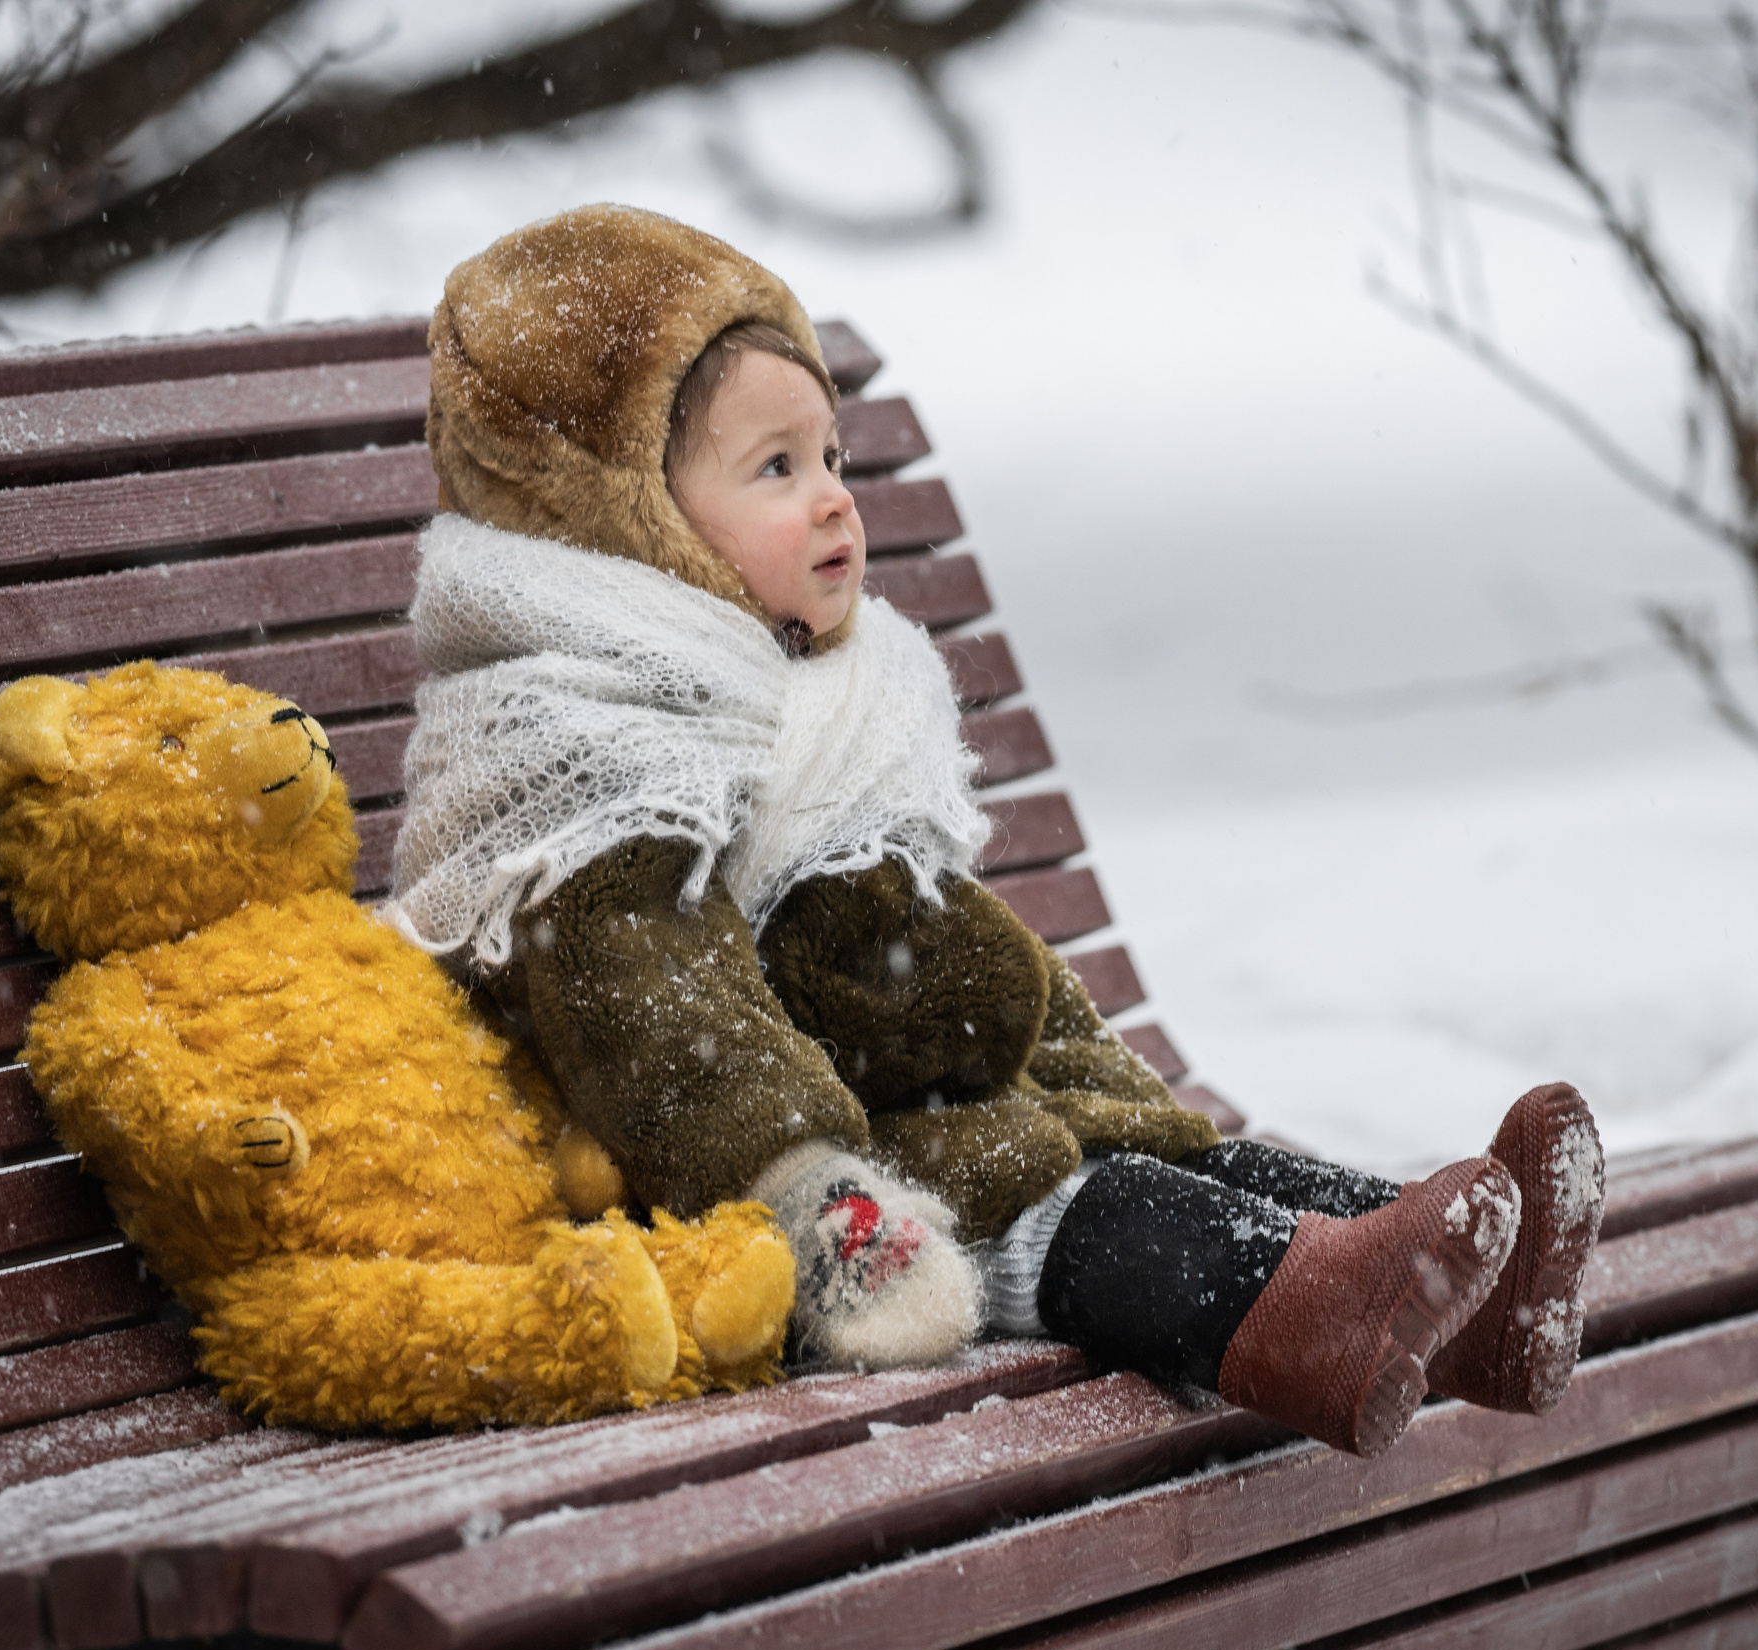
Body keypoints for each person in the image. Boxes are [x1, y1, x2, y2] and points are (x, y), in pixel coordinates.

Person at [389, 205, 1604, 1458]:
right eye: (775, 469)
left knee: (1180, 1171)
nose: (833, 502)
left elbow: (936, 940)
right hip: (784, 1194)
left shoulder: (812, 697)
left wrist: (1118, 1100)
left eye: (832, 458)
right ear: (624, 513)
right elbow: (649, 1010)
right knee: (1092, 1213)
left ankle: (1463, 1288)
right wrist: (806, 1196)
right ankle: (1331, 1316)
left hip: (927, 1116)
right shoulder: (582, 745)